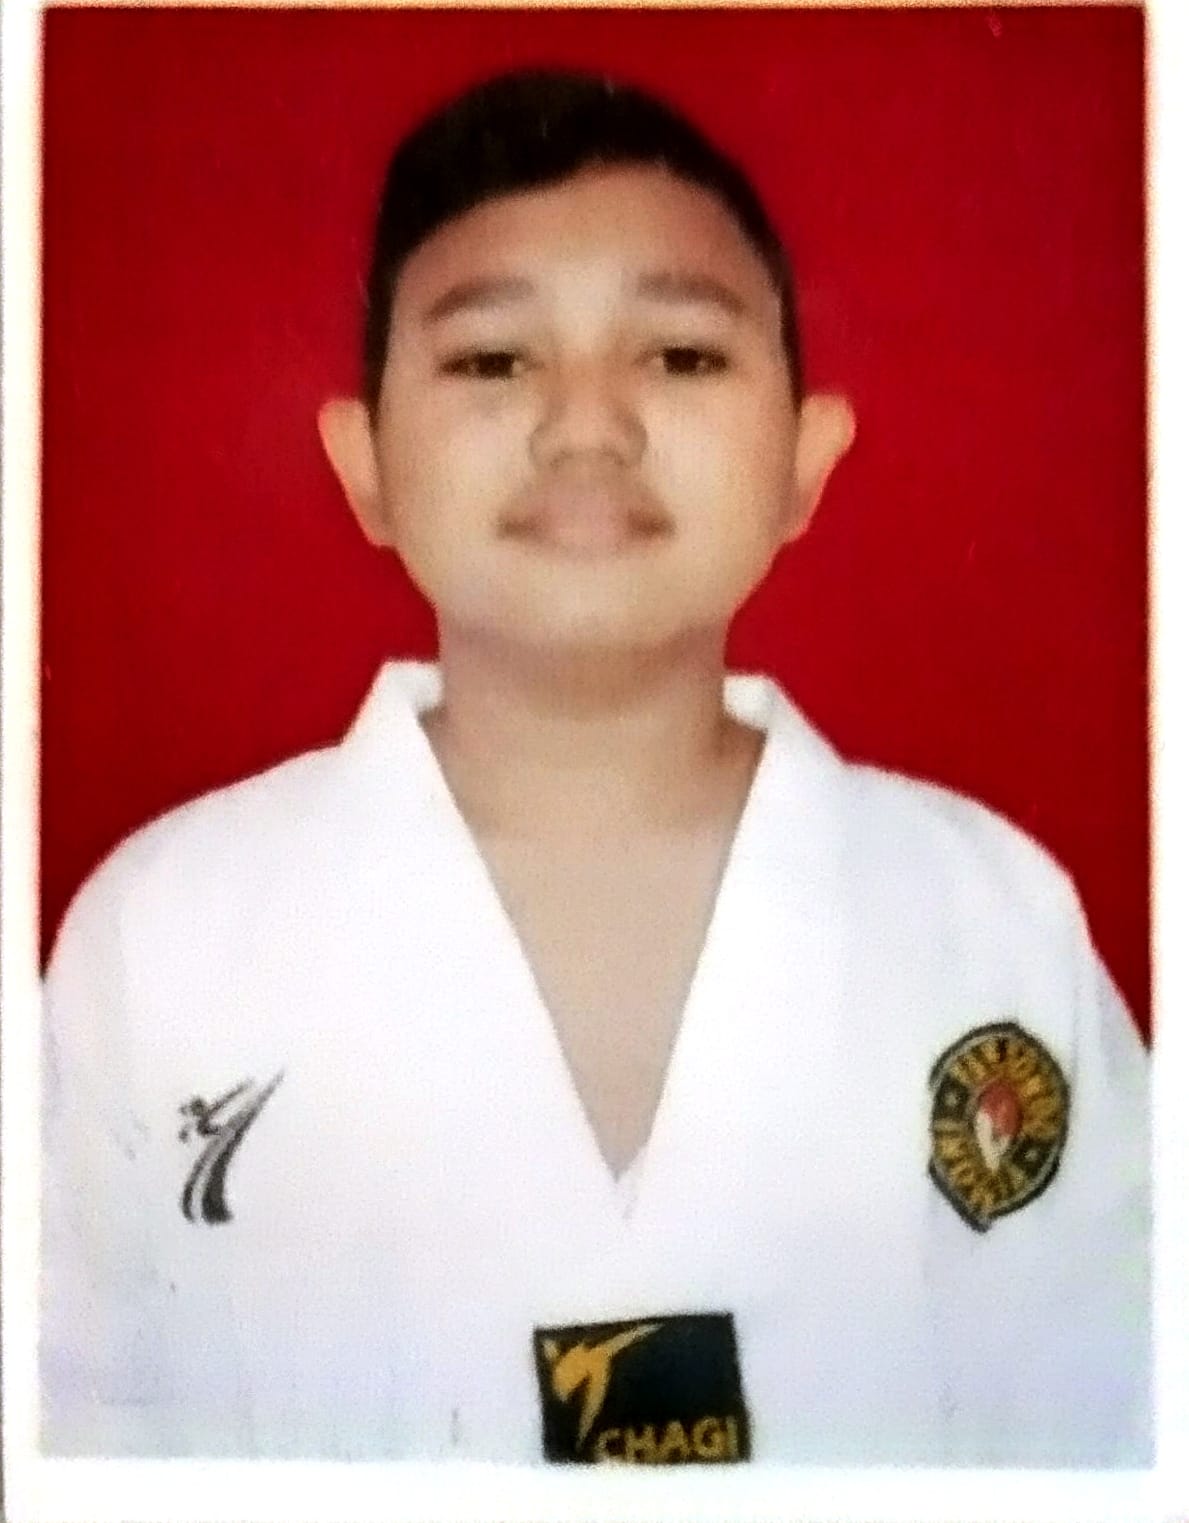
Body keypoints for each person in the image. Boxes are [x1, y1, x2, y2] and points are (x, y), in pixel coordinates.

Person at [40, 67, 1150, 1468]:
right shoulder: (164, 939)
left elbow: (1125, 1418)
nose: (586, 426)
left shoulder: (988, 915)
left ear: (806, 462)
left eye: (680, 356)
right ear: (362, 462)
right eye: (491, 361)